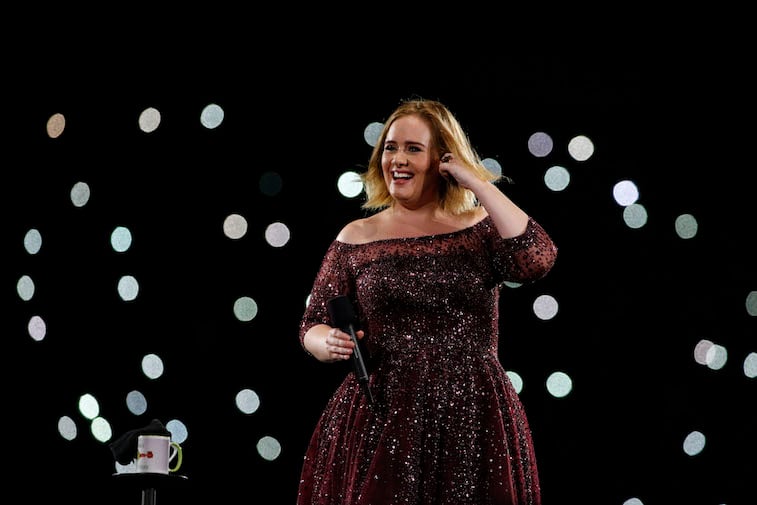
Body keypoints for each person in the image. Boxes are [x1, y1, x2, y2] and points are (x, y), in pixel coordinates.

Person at [297, 98, 558, 505]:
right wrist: (325, 341)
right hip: (381, 413)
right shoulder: (356, 236)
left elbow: (537, 258)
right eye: (390, 147)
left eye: (413, 148)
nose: (398, 159)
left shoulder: (479, 228)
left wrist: (477, 183)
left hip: (472, 413)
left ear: (443, 159)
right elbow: (311, 323)